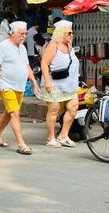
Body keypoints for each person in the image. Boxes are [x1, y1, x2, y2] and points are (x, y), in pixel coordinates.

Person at [0, 21, 41, 155]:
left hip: (19, 86)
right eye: (21, 33)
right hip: (6, 85)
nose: (24, 36)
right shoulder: (3, 47)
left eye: (25, 33)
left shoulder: (22, 48)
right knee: (15, 113)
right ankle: (21, 144)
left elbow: (27, 66)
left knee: (9, 112)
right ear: (13, 33)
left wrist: (35, 83)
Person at [40, 20, 79, 148]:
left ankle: (63, 135)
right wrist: (47, 81)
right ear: (61, 33)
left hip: (69, 84)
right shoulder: (53, 45)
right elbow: (44, 63)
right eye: (69, 33)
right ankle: (50, 138)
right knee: (54, 109)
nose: (71, 35)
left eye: (72, 33)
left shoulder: (69, 45)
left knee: (73, 107)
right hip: (54, 83)